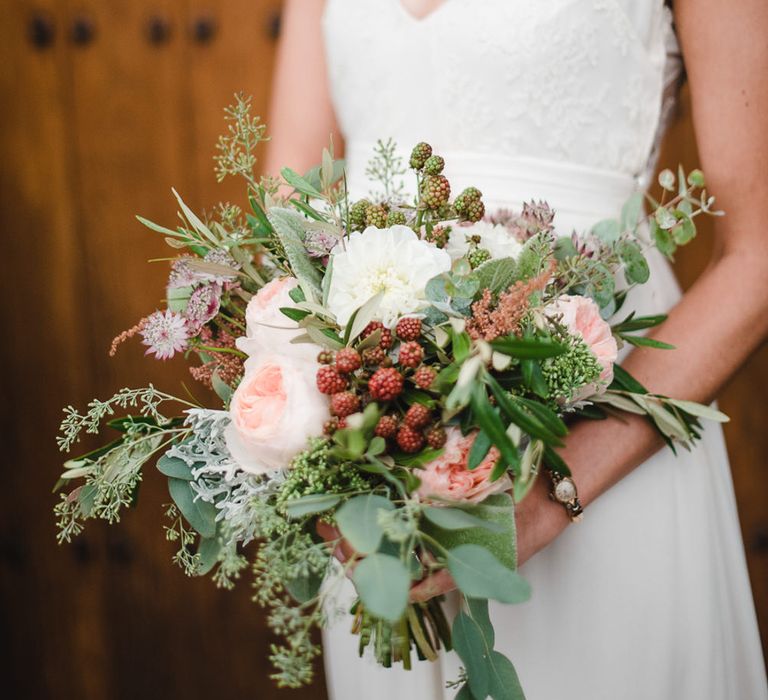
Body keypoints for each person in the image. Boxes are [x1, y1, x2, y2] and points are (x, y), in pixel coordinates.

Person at [264, 1, 768, 698]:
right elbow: (288, 203)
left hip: (602, 438)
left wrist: (546, 498)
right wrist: (312, 442)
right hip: (380, 466)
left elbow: (759, 254)